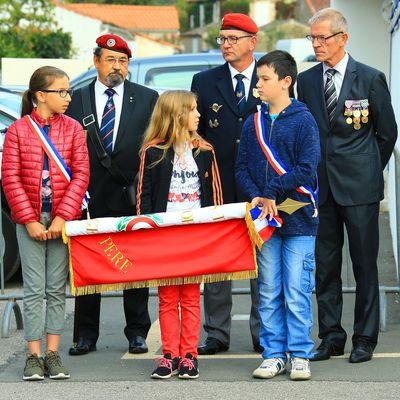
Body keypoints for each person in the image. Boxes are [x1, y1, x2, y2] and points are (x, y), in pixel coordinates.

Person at [297, 8, 397, 363]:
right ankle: (331, 336)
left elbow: (387, 133)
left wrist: (368, 169)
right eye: (313, 37)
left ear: (343, 38)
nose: (317, 44)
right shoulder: (306, 81)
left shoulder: (370, 78)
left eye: (323, 37)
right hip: (320, 189)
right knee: (325, 266)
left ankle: (364, 338)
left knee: (364, 264)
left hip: (359, 188)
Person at [66, 34, 158, 356]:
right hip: (88, 197)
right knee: (89, 265)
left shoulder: (147, 98)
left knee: (134, 267)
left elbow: (154, 147)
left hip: (130, 194)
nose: (117, 67)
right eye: (110, 60)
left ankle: (137, 332)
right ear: (96, 62)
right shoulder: (75, 100)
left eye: (122, 61)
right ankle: (85, 335)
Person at [236, 50, 320, 380]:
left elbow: (306, 167)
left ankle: (300, 353)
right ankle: (273, 353)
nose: (258, 84)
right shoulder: (251, 122)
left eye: (265, 79)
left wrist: (273, 190)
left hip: (298, 215)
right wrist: (256, 194)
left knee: (297, 289)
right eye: (258, 78)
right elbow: (241, 166)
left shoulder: (304, 119)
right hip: (265, 219)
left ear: (286, 82)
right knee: (269, 289)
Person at [1, 66, 89, 380]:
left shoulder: (74, 129)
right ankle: (34, 356)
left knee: (56, 288)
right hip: (31, 223)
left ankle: (53, 353)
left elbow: (81, 175)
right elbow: (10, 177)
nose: (67, 97)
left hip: (62, 221)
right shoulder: (18, 130)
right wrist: (29, 221)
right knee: (33, 288)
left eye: (68, 91)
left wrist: (64, 215)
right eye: (61, 91)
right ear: (41, 95)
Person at [136, 90, 223, 379]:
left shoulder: (205, 150)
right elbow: (143, 198)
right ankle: (168, 354)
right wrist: (145, 234)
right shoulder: (153, 151)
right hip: (164, 235)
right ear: (177, 115)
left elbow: (215, 197)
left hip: (195, 235)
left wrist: (215, 232)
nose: (199, 114)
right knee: (166, 296)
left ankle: (189, 354)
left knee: (190, 296)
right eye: (193, 109)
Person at [191, 13, 262, 355]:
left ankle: (264, 332)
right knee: (218, 261)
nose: (226, 45)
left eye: (233, 38)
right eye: (222, 39)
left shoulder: (270, 77)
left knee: (262, 261)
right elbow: (195, 135)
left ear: (253, 42)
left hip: (260, 187)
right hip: (217, 184)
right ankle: (217, 332)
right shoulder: (205, 81)